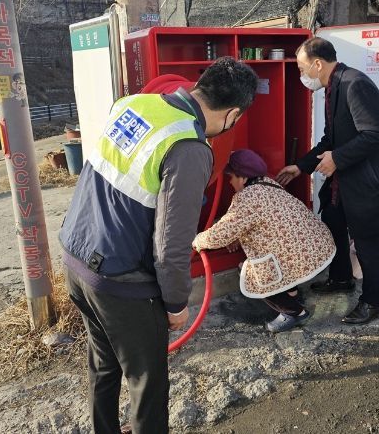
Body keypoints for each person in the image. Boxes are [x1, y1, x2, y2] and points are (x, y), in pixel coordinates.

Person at [59, 57, 258, 434]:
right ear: (233, 115)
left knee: (103, 365)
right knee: (147, 385)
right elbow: (172, 243)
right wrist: (176, 303)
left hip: (75, 256)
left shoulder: (133, 103)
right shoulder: (189, 147)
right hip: (119, 280)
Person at [276, 37, 379, 325]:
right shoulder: (333, 87)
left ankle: (372, 302)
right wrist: (301, 166)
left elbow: (375, 134)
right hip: (348, 180)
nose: (301, 74)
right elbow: (331, 139)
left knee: (367, 243)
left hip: (371, 181)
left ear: (317, 64)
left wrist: (337, 158)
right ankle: (340, 279)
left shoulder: (355, 84)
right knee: (333, 221)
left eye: (301, 67)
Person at [192, 149, 336, 333]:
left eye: (232, 177)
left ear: (243, 178)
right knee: (282, 257)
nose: (229, 182)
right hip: (317, 247)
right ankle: (292, 293)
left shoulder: (247, 198)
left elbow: (220, 234)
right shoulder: (270, 184)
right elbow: (252, 222)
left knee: (254, 275)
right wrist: (235, 235)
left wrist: (198, 240)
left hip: (299, 258)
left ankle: (294, 312)